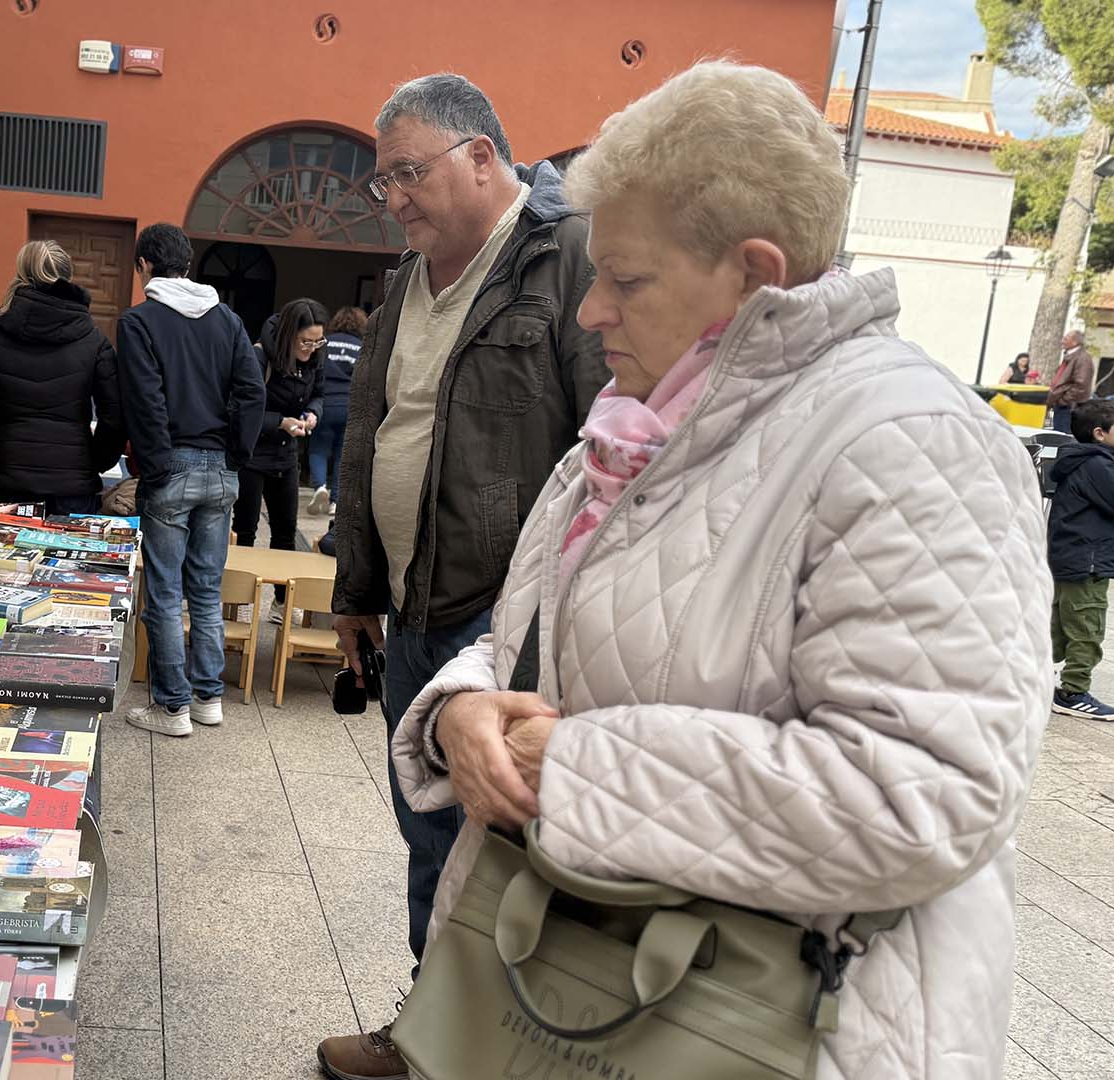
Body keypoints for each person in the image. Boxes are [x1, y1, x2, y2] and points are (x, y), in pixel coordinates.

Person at [386, 61, 1047, 1080]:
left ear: (755, 271)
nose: (591, 311)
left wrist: (579, 767)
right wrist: (465, 709)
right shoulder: (639, 429)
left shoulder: (913, 445)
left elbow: (927, 794)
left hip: (782, 1029)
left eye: (627, 279)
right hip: (607, 997)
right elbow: (541, 639)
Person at [319, 72, 609, 1080]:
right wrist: (356, 587)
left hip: (507, 623)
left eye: (408, 170)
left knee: (500, 858)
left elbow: (612, 458)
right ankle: (428, 1030)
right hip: (410, 606)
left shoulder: (566, 258)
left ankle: (492, 1050)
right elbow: (372, 436)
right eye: (381, 178)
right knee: (429, 836)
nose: (391, 195)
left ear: (483, 156)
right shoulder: (408, 278)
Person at [117, 223, 266, 736]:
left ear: (144, 267)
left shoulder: (140, 322)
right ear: (189, 262)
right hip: (220, 468)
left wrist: (155, 464)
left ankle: (173, 706)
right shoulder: (227, 319)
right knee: (205, 591)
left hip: (172, 466)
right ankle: (208, 698)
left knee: (163, 594)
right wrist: (235, 455)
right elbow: (251, 391)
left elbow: (145, 398)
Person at [0, 240, 126, 514]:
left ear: (21, 274)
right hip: (71, 486)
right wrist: (93, 460)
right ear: (68, 277)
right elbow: (115, 416)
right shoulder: (94, 341)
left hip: (4, 481)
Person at [1049, 399, 1114, 720]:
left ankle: (1032, 678)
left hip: (1070, 556)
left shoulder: (1083, 461)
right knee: (1087, 629)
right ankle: (1072, 692)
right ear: (1099, 433)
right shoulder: (1099, 465)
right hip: (1088, 559)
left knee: (1061, 628)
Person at [235, 297, 324, 623]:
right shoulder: (260, 356)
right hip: (254, 454)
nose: (312, 348)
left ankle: (281, 603)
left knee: (285, 531)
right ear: (288, 334)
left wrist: (313, 413)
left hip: (286, 455)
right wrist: (280, 422)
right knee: (244, 529)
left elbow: (319, 393)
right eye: (305, 341)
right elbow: (245, 408)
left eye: (318, 341)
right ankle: (237, 600)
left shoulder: (315, 358)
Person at [308, 306, 364, 514]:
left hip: (325, 401)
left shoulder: (325, 343)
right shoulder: (361, 346)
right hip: (350, 404)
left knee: (318, 448)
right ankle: (335, 502)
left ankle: (320, 486)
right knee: (342, 453)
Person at [1049, 329, 1094, 434]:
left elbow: (1081, 385)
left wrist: (1063, 400)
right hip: (1062, 405)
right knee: (1058, 437)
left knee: (1064, 439)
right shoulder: (1070, 356)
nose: (1062, 341)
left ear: (1075, 342)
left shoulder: (1082, 358)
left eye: (1065, 338)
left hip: (1069, 407)